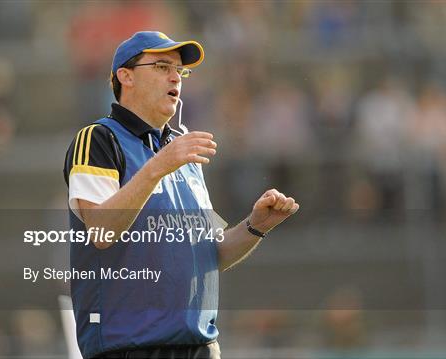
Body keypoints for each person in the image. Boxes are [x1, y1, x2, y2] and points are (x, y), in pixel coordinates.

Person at [63, 31, 299, 359]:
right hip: (129, 348)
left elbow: (209, 254)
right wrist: (159, 165)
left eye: (180, 71)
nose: (176, 76)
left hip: (201, 347)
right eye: (162, 66)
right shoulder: (99, 139)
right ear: (125, 76)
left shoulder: (179, 148)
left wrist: (255, 225)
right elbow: (101, 233)